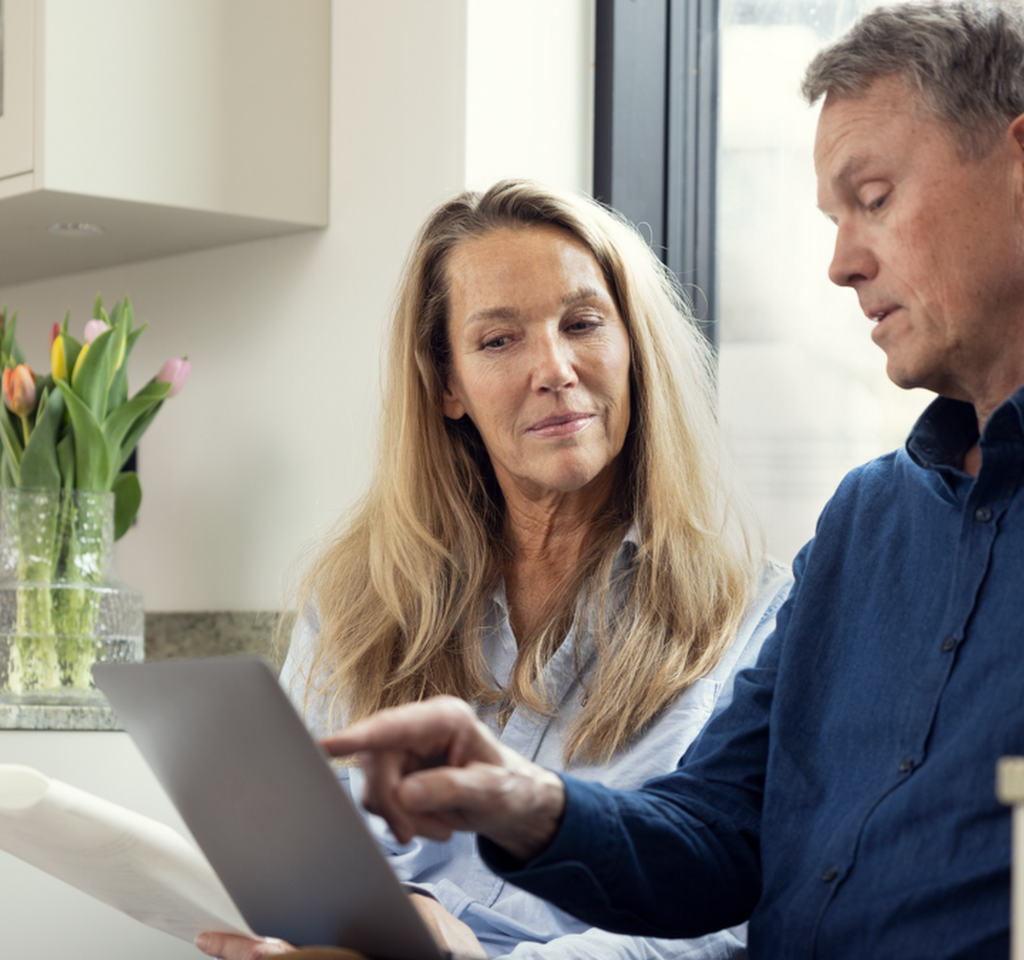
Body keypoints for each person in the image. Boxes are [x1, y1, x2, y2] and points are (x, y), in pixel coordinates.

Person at [319, 3, 1024, 958]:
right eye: (835, 219)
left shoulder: (743, 599)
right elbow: (719, 835)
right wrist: (523, 802)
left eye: (876, 197)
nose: (841, 264)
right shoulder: (866, 522)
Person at [195, 180, 791, 960]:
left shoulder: (756, 614)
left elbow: (729, 924)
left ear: (634, 349)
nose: (554, 368)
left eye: (583, 323)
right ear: (448, 385)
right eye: (499, 340)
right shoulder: (358, 601)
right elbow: (297, 856)